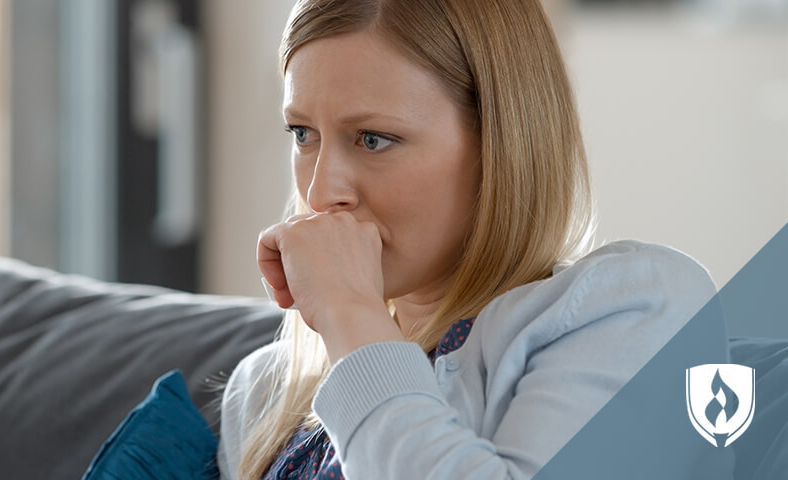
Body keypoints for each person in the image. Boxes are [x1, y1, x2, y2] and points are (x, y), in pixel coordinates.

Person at [218, 1, 720, 479]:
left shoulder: (635, 309)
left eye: (373, 139)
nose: (320, 192)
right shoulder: (265, 389)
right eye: (303, 134)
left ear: (500, 144)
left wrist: (348, 312)